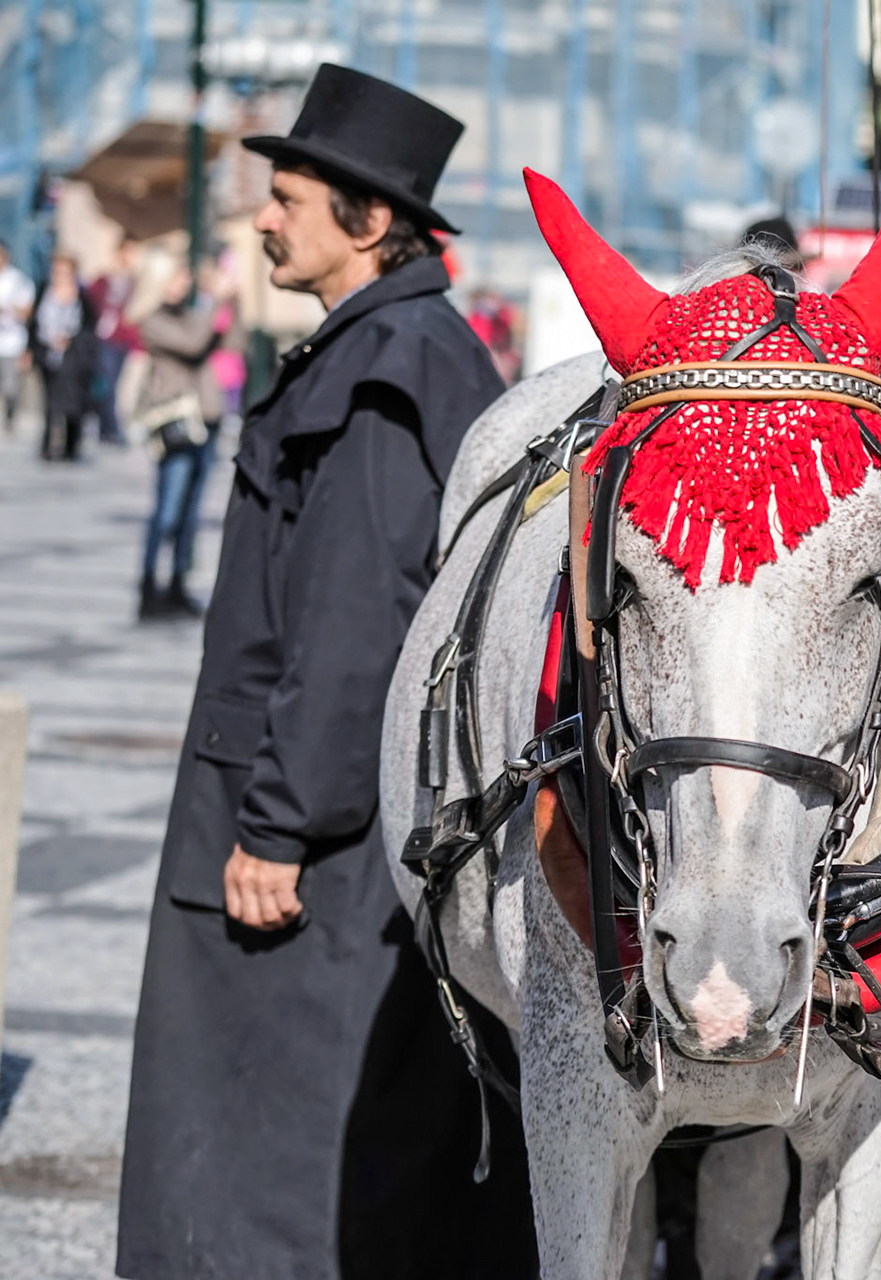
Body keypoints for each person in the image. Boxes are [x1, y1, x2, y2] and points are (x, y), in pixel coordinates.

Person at [117, 64, 536, 1280]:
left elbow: (356, 627)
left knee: (283, 1143)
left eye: (288, 199)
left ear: (368, 222)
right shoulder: (392, 347)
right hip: (334, 827)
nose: (261, 219)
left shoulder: (388, 366)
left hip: (322, 844)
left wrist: (283, 824)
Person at [130, 258, 227, 621]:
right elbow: (194, 343)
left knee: (191, 513)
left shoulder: (189, 315)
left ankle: (177, 585)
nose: (184, 283)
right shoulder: (153, 320)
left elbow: (231, 340)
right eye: (178, 276)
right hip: (178, 425)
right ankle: (148, 586)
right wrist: (214, 300)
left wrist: (232, 302)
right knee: (167, 512)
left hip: (207, 419)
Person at [30, 252, 97, 461]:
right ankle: (47, 444)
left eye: (64, 271)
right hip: (47, 353)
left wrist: (71, 339)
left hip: (73, 356)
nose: (59, 275)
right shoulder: (44, 290)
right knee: (50, 401)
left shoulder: (81, 295)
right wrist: (30, 349)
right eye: (56, 271)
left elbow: (89, 326)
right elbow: (33, 323)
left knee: (73, 400)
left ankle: (71, 444)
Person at [88, 238, 144, 447]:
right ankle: (110, 429)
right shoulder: (106, 278)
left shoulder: (136, 281)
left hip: (126, 339)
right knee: (108, 383)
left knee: (121, 386)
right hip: (106, 337)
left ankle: (110, 427)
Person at [0, 239, 32, 433]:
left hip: (11, 342)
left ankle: (10, 416)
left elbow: (27, 311)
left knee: (11, 386)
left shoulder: (18, 280)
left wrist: (8, 310)